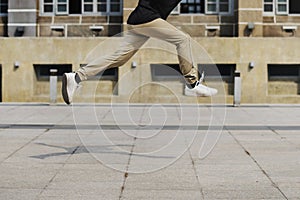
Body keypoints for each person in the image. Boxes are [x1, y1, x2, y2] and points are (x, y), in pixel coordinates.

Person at [62, 0, 217, 105]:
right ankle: (193, 83)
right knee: (183, 40)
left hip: (141, 20)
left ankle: (76, 77)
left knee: (119, 58)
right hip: (147, 19)